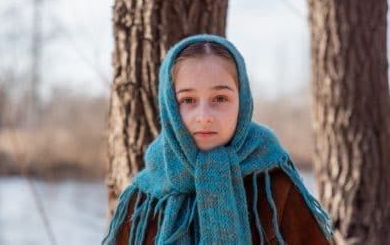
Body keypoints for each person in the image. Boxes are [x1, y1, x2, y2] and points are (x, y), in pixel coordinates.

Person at [103, 34, 333, 244]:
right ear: (170, 106)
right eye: (188, 100)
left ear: (242, 102)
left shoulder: (273, 183)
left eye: (220, 98)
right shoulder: (144, 197)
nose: (203, 116)